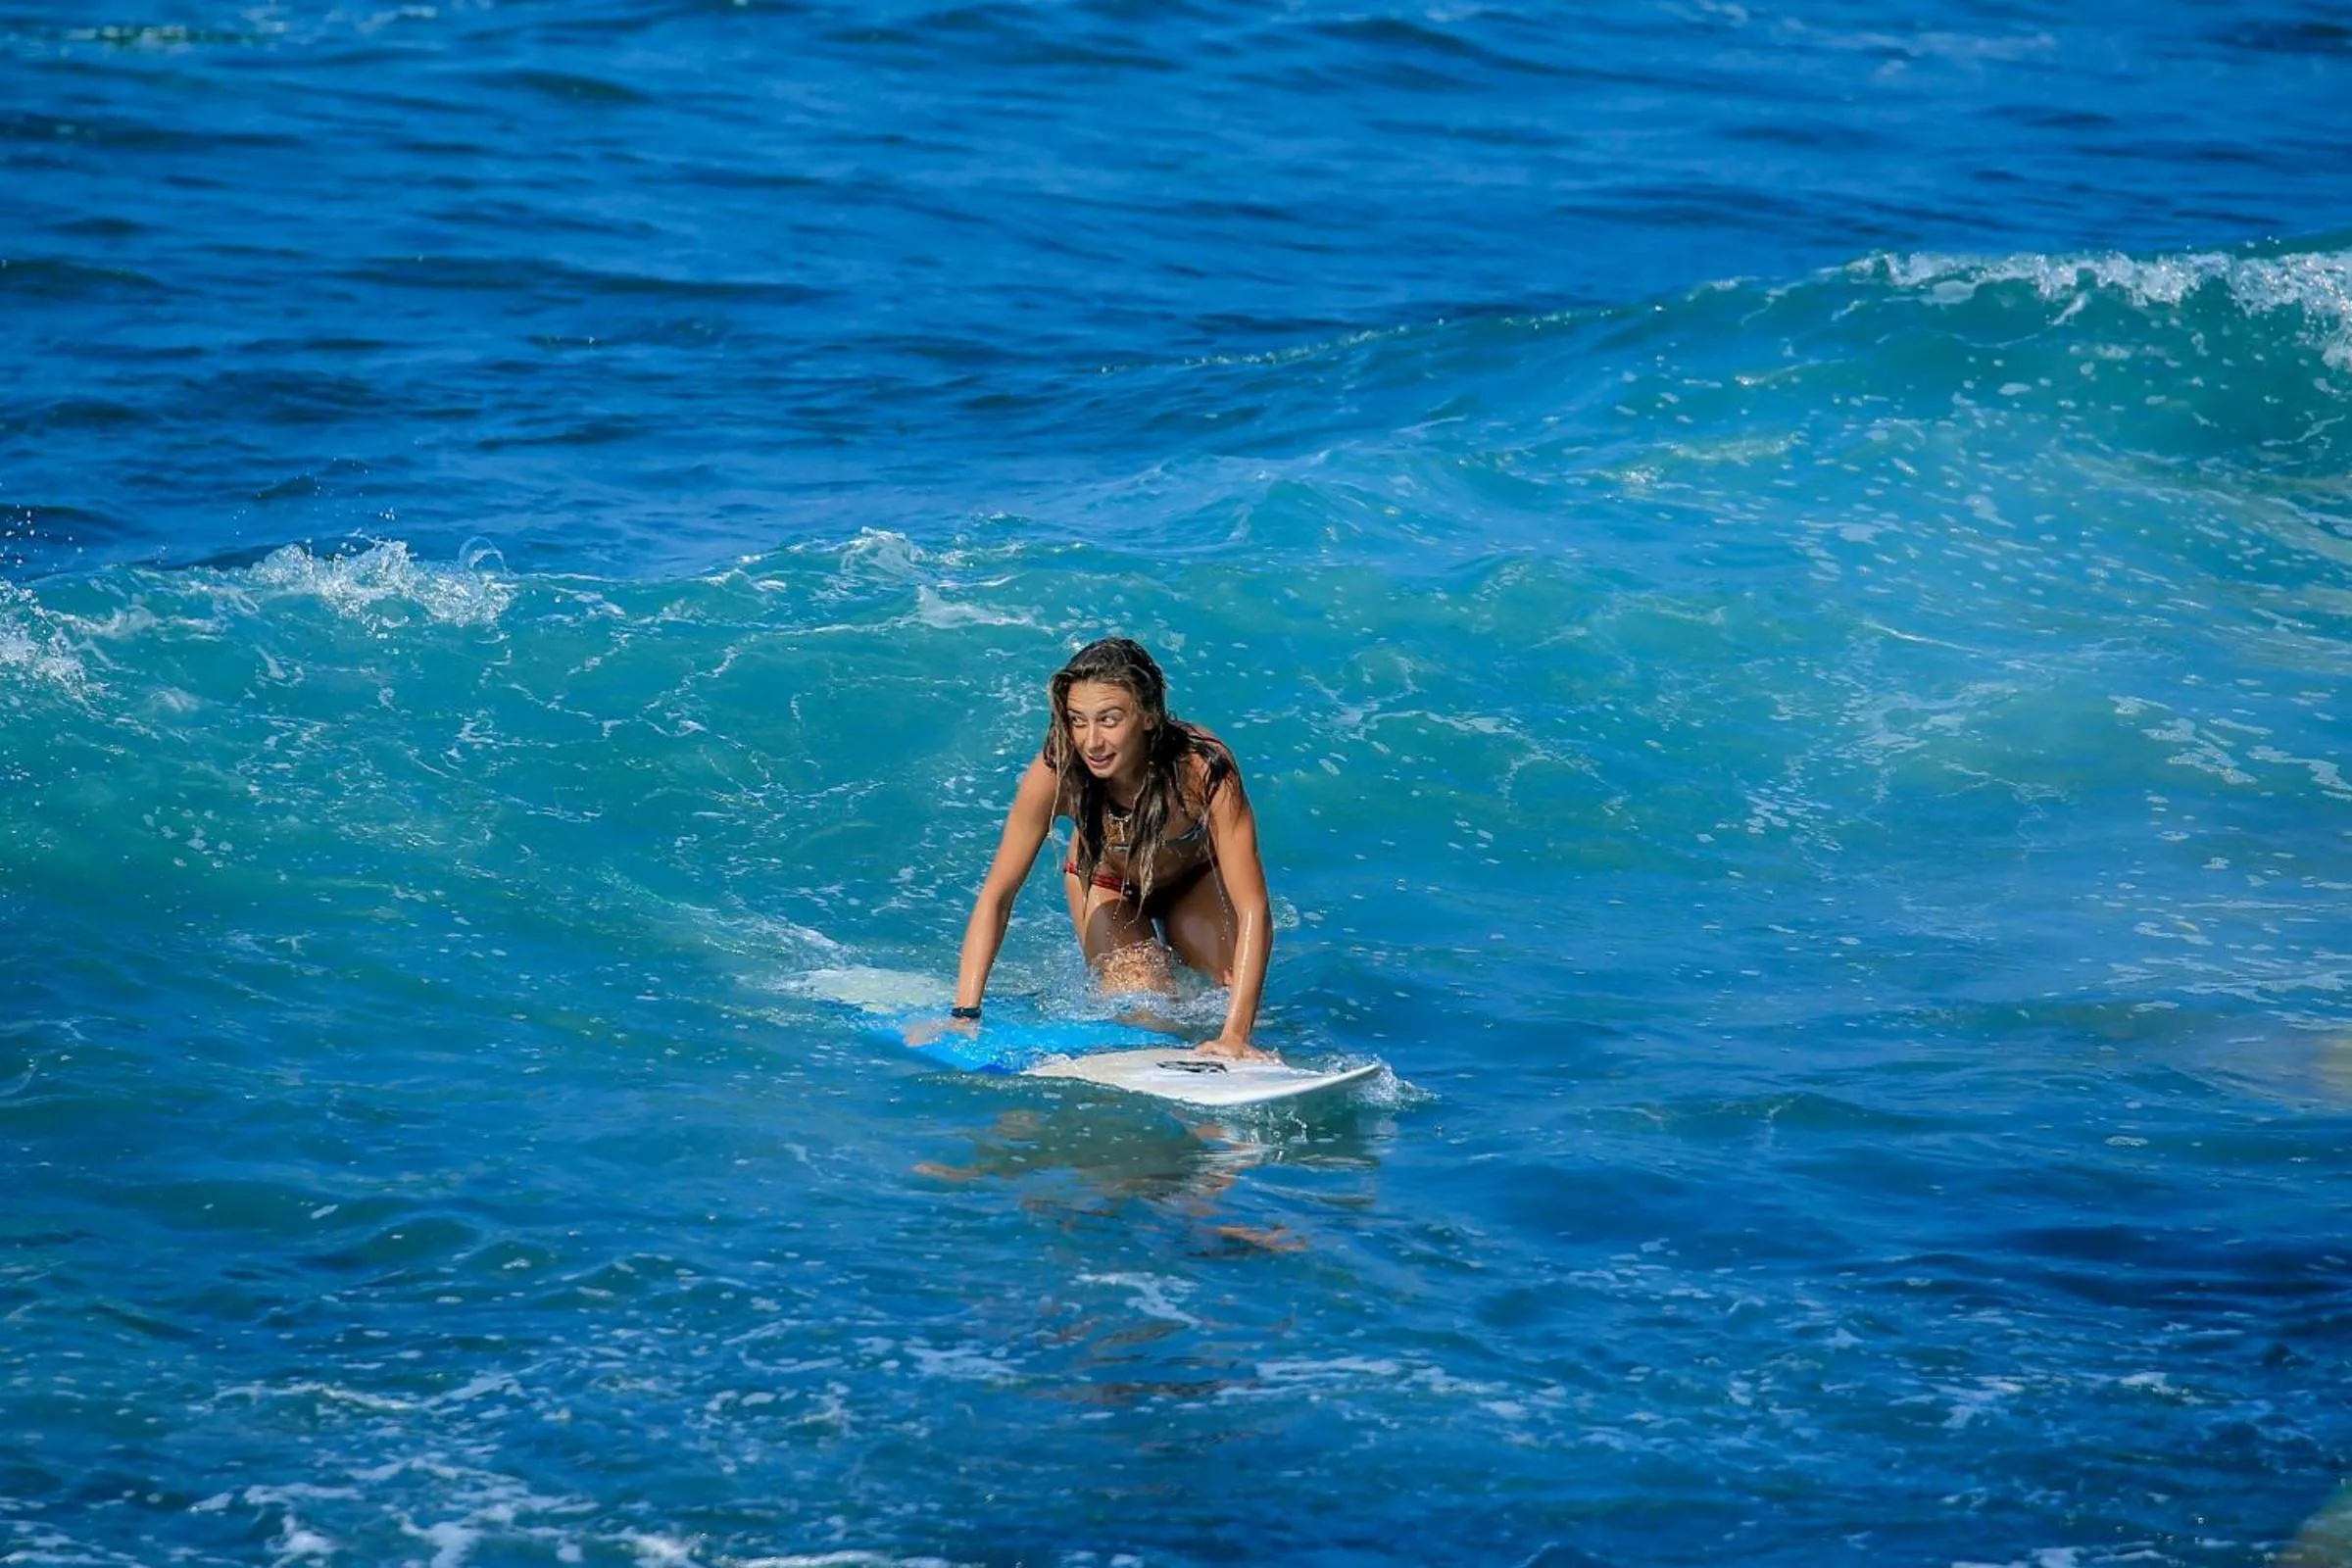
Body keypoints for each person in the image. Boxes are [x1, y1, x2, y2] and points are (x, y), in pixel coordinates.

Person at [950, 637, 1272, 1056]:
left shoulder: (1202, 769)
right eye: (1078, 721)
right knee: (1147, 1009)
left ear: (1149, 716)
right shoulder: (1057, 774)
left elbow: (1253, 907)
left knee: (1225, 996)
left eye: (1109, 719)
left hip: (1193, 880)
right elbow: (998, 896)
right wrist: (964, 1014)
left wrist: (1236, 1035)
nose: (1092, 741)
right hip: (1108, 883)